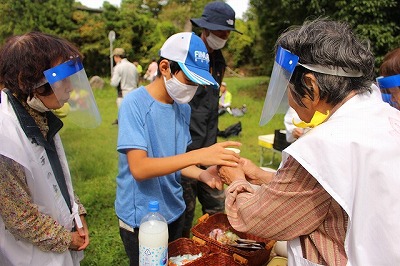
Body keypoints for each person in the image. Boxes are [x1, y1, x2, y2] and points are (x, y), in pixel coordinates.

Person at [219, 18, 400, 265]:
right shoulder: (387, 117)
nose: (289, 100)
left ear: (310, 85)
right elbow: (334, 190)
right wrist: (261, 175)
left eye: (288, 87)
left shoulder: (323, 146)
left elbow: (259, 219)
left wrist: (236, 178)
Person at [114, 32, 241, 266]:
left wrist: (202, 173)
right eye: (190, 80)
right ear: (165, 67)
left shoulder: (183, 108)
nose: (193, 89)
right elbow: (139, 168)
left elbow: (176, 161)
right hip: (142, 218)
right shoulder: (135, 105)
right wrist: (198, 155)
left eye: (198, 83)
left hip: (174, 209)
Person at [0, 31, 93, 265]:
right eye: (61, 78)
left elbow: (55, 173)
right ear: (26, 81)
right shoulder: (5, 136)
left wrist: (77, 211)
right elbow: (19, 216)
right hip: (31, 255)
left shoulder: (38, 112)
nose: (70, 87)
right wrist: (66, 238)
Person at [181, 1, 241, 238]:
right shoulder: (185, 55)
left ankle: (217, 250)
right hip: (185, 148)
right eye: (219, 31)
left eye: (227, 32)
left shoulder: (219, 60)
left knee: (217, 208)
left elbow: (212, 104)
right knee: (183, 213)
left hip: (210, 144)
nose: (224, 36)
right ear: (205, 29)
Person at [110, 48, 139, 125]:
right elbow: (137, 81)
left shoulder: (118, 67)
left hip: (122, 93)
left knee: (124, 116)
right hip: (134, 92)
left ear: (116, 56)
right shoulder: (133, 66)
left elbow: (114, 83)